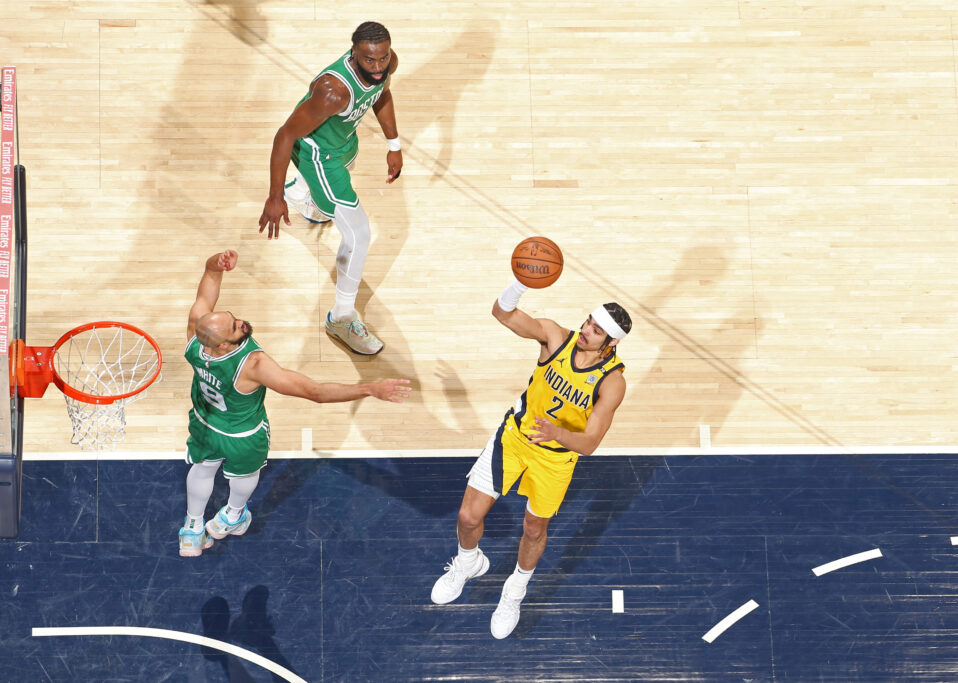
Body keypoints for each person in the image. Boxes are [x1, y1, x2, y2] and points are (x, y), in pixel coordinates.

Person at [430, 279, 631, 639]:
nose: (585, 330)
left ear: (611, 343)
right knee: (468, 516)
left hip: (555, 458)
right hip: (515, 438)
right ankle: (468, 562)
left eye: (596, 330)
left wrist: (557, 434)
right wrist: (520, 283)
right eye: (588, 321)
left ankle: (515, 591)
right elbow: (502, 313)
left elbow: (589, 444)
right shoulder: (556, 337)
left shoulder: (612, 382)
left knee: (534, 528)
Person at [179, 250, 412, 558]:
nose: (242, 323)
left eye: (234, 318)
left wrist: (215, 265)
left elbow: (205, 293)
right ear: (223, 345)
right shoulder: (254, 365)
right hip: (242, 436)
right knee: (245, 476)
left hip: (205, 423)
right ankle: (232, 517)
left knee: (203, 468)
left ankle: (192, 530)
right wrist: (369, 388)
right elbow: (314, 392)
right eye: (235, 327)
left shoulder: (195, 338)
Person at [258, 20, 402, 356]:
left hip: (342, 142)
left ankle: (304, 197)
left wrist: (393, 145)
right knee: (359, 235)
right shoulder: (332, 92)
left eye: (382, 58)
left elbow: (381, 94)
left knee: (327, 205)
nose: (378, 67)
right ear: (353, 54)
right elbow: (285, 135)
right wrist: (273, 197)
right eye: (369, 60)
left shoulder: (386, 64)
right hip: (319, 156)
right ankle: (341, 318)